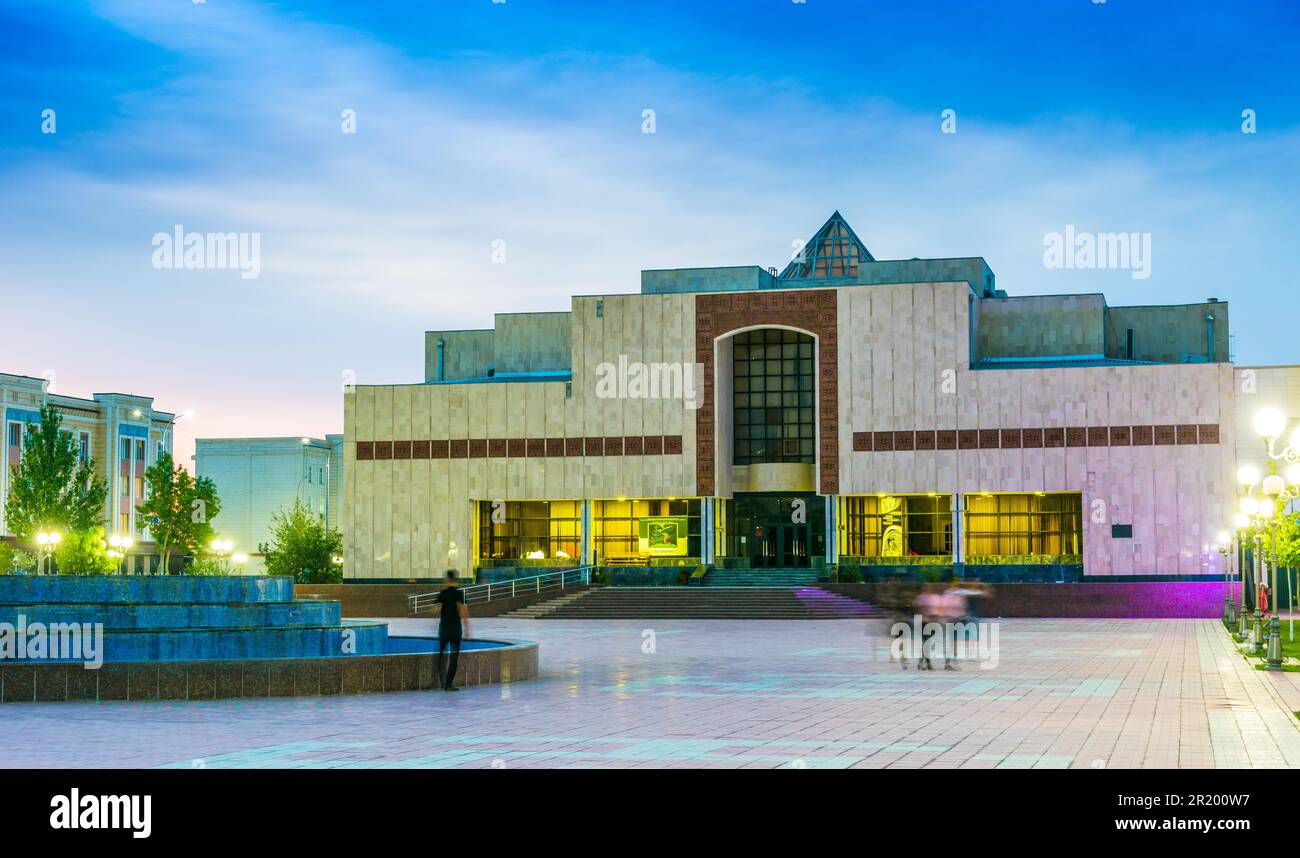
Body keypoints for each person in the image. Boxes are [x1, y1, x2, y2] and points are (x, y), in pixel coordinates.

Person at [434, 569, 471, 691]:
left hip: (444, 629)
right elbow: (463, 611)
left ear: (447, 580)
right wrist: (467, 629)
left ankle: (441, 683)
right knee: (454, 657)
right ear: (456, 580)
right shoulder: (459, 594)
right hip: (456, 630)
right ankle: (449, 684)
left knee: (441, 656)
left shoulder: (442, 594)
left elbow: (435, 610)